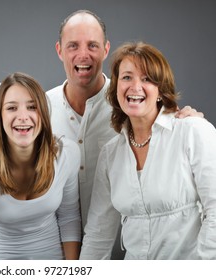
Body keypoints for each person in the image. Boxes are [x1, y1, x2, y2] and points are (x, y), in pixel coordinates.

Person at [47, 9, 204, 259]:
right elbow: (99, 234)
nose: (135, 87)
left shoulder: (187, 129)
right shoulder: (41, 111)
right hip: (49, 245)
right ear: (59, 50)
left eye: (92, 45)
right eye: (73, 45)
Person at [80, 41, 216, 259]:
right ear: (116, 89)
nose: (135, 87)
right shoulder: (110, 154)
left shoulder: (193, 132)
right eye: (126, 77)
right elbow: (99, 234)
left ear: (161, 90)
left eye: (146, 79)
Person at [0, 72, 81, 259]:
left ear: (43, 112)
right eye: (12, 108)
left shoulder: (67, 154)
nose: (23, 116)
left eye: (32, 107)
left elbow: (69, 219)